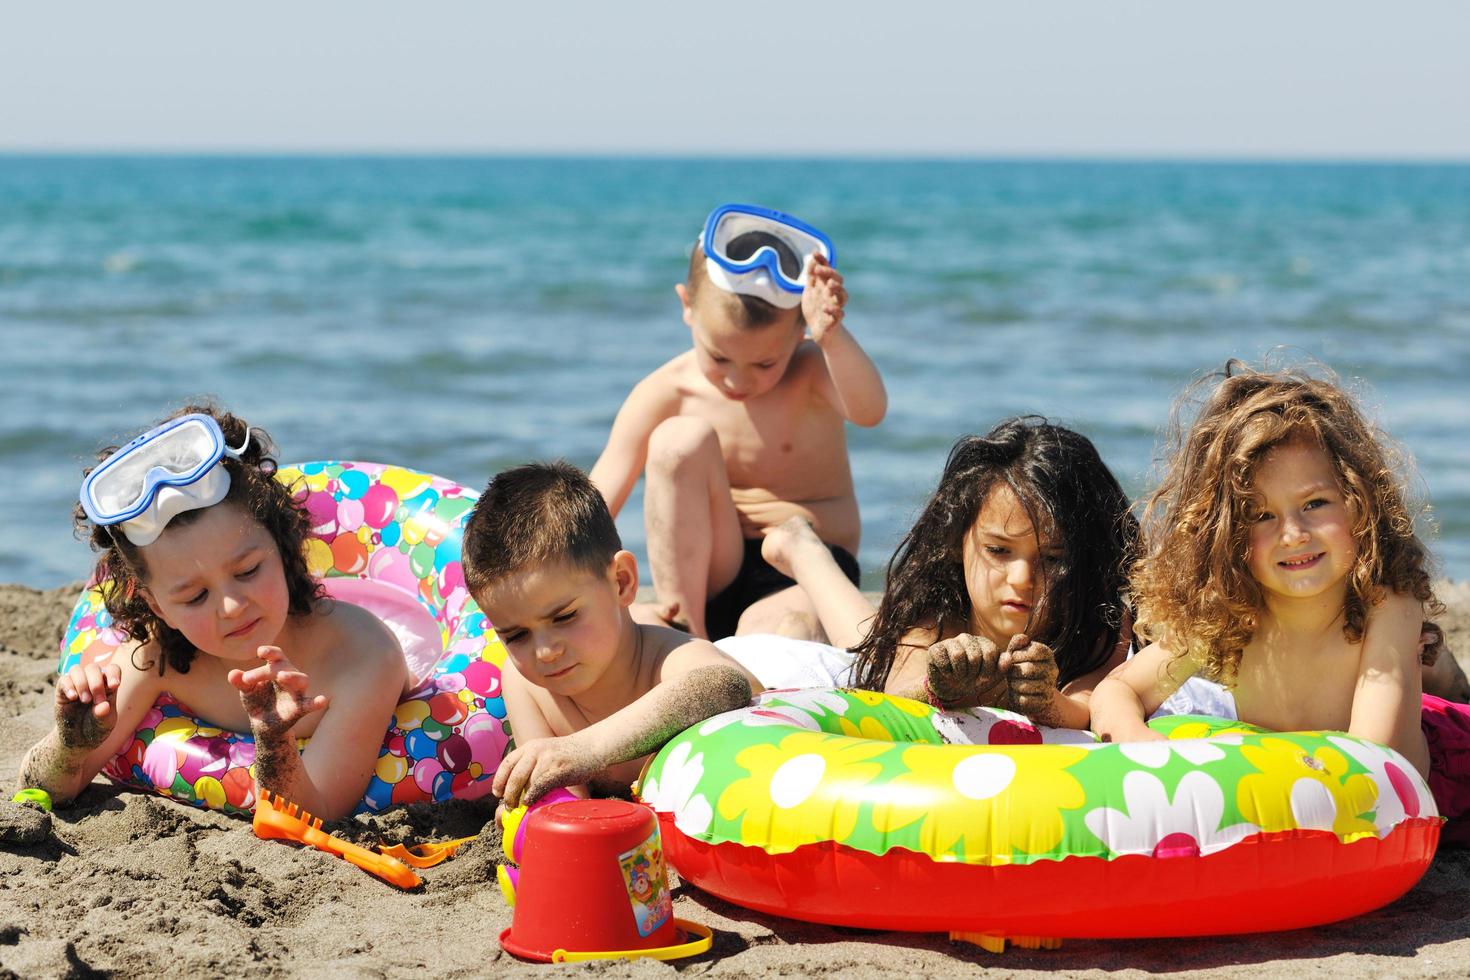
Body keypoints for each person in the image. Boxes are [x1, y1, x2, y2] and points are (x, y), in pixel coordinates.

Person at [1089, 363, 1470, 843]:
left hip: (1429, 775)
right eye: (1261, 515)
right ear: (1224, 535)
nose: (1293, 535)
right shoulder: (1232, 612)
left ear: (1359, 500)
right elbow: (1116, 691)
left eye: (1315, 504)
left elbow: (1373, 758)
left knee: (1444, 697)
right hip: (1304, 772)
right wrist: (1139, 742)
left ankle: (1436, 669)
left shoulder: (1385, 601)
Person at [17, 405, 409, 820]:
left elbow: (322, 813)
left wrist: (275, 742)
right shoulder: (157, 658)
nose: (232, 606)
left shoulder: (361, 655)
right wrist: (68, 745)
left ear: (284, 545)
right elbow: (46, 788)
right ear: (157, 606)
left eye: (248, 570)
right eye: (194, 597)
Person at [589, 203, 886, 641]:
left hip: (804, 569)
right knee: (676, 440)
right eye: (720, 357)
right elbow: (593, 505)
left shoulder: (811, 371)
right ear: (686, 306)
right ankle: (686, 629)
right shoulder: (667, 390)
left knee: (777, 633)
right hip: (709, 578)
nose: (738, 379)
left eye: (765, 362)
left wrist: (833, 340)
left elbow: (870, 411)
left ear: (800, 332)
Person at [736, 417, 1138, 731]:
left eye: (1052, 559)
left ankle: (802, 550)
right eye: (998, 550)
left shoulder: (1098, 618)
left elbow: (1086, 708)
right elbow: (894, 698)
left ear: (1086, 558)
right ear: (957, 542)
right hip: (912, 643)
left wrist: (1043, 699)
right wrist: (941, 685)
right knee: (864, 640)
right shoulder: (939, 609)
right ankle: (802, 549)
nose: (1021, 578)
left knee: (861, 634)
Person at [463, 461, 761, 808]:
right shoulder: (526, 684)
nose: (544, 651)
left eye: (565, 616)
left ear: (622, 581)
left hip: (779, 669)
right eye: (516, 636)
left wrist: (586, 748)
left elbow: (726, 684)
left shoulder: (666, 659)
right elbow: (558, 797)